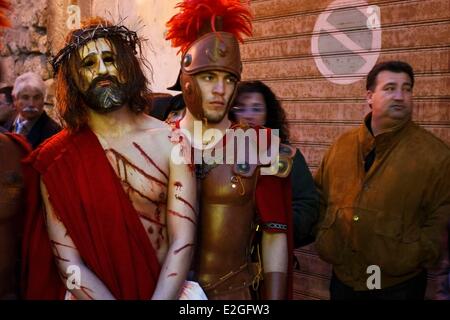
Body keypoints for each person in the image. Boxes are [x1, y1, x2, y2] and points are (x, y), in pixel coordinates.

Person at [21, 17, 197, 300]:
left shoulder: (171, 142)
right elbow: (69, 263)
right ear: (73, 78)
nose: (102, 69)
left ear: (127, 65)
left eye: (110, 58)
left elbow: (182, 240)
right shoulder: (56, 160)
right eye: (88, 64)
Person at [165, 0, 292, 299]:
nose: (221, 90)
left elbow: (275, 236)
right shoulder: (157, 140)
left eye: (229, 79)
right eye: (209, 77)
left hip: (234, 295)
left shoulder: (260, 144)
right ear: (187, 80)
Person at [314, 60, 450, 300]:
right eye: (390, 88)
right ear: (370, 96)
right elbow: (320, 197)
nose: (400, 96)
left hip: (397, 286)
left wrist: (414, 253)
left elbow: (442, 214)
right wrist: (326, 236)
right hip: (343, 280)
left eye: (407, 89)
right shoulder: (341, 146)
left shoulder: (435, 155)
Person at [230, 80, 320, 248]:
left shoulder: (287, 156)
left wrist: (273, 228)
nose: (248, 115)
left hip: (271, 249)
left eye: (256, 108)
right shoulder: (219, 154)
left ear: (268, 113)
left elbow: (306, 204)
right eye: (241, 108)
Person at [9, 72, 61, 149]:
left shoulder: (53, 133)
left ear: (43, 99)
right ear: (15, 99)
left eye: (36, 98)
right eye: (25, 97)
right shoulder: (7, 125)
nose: (31, 104)